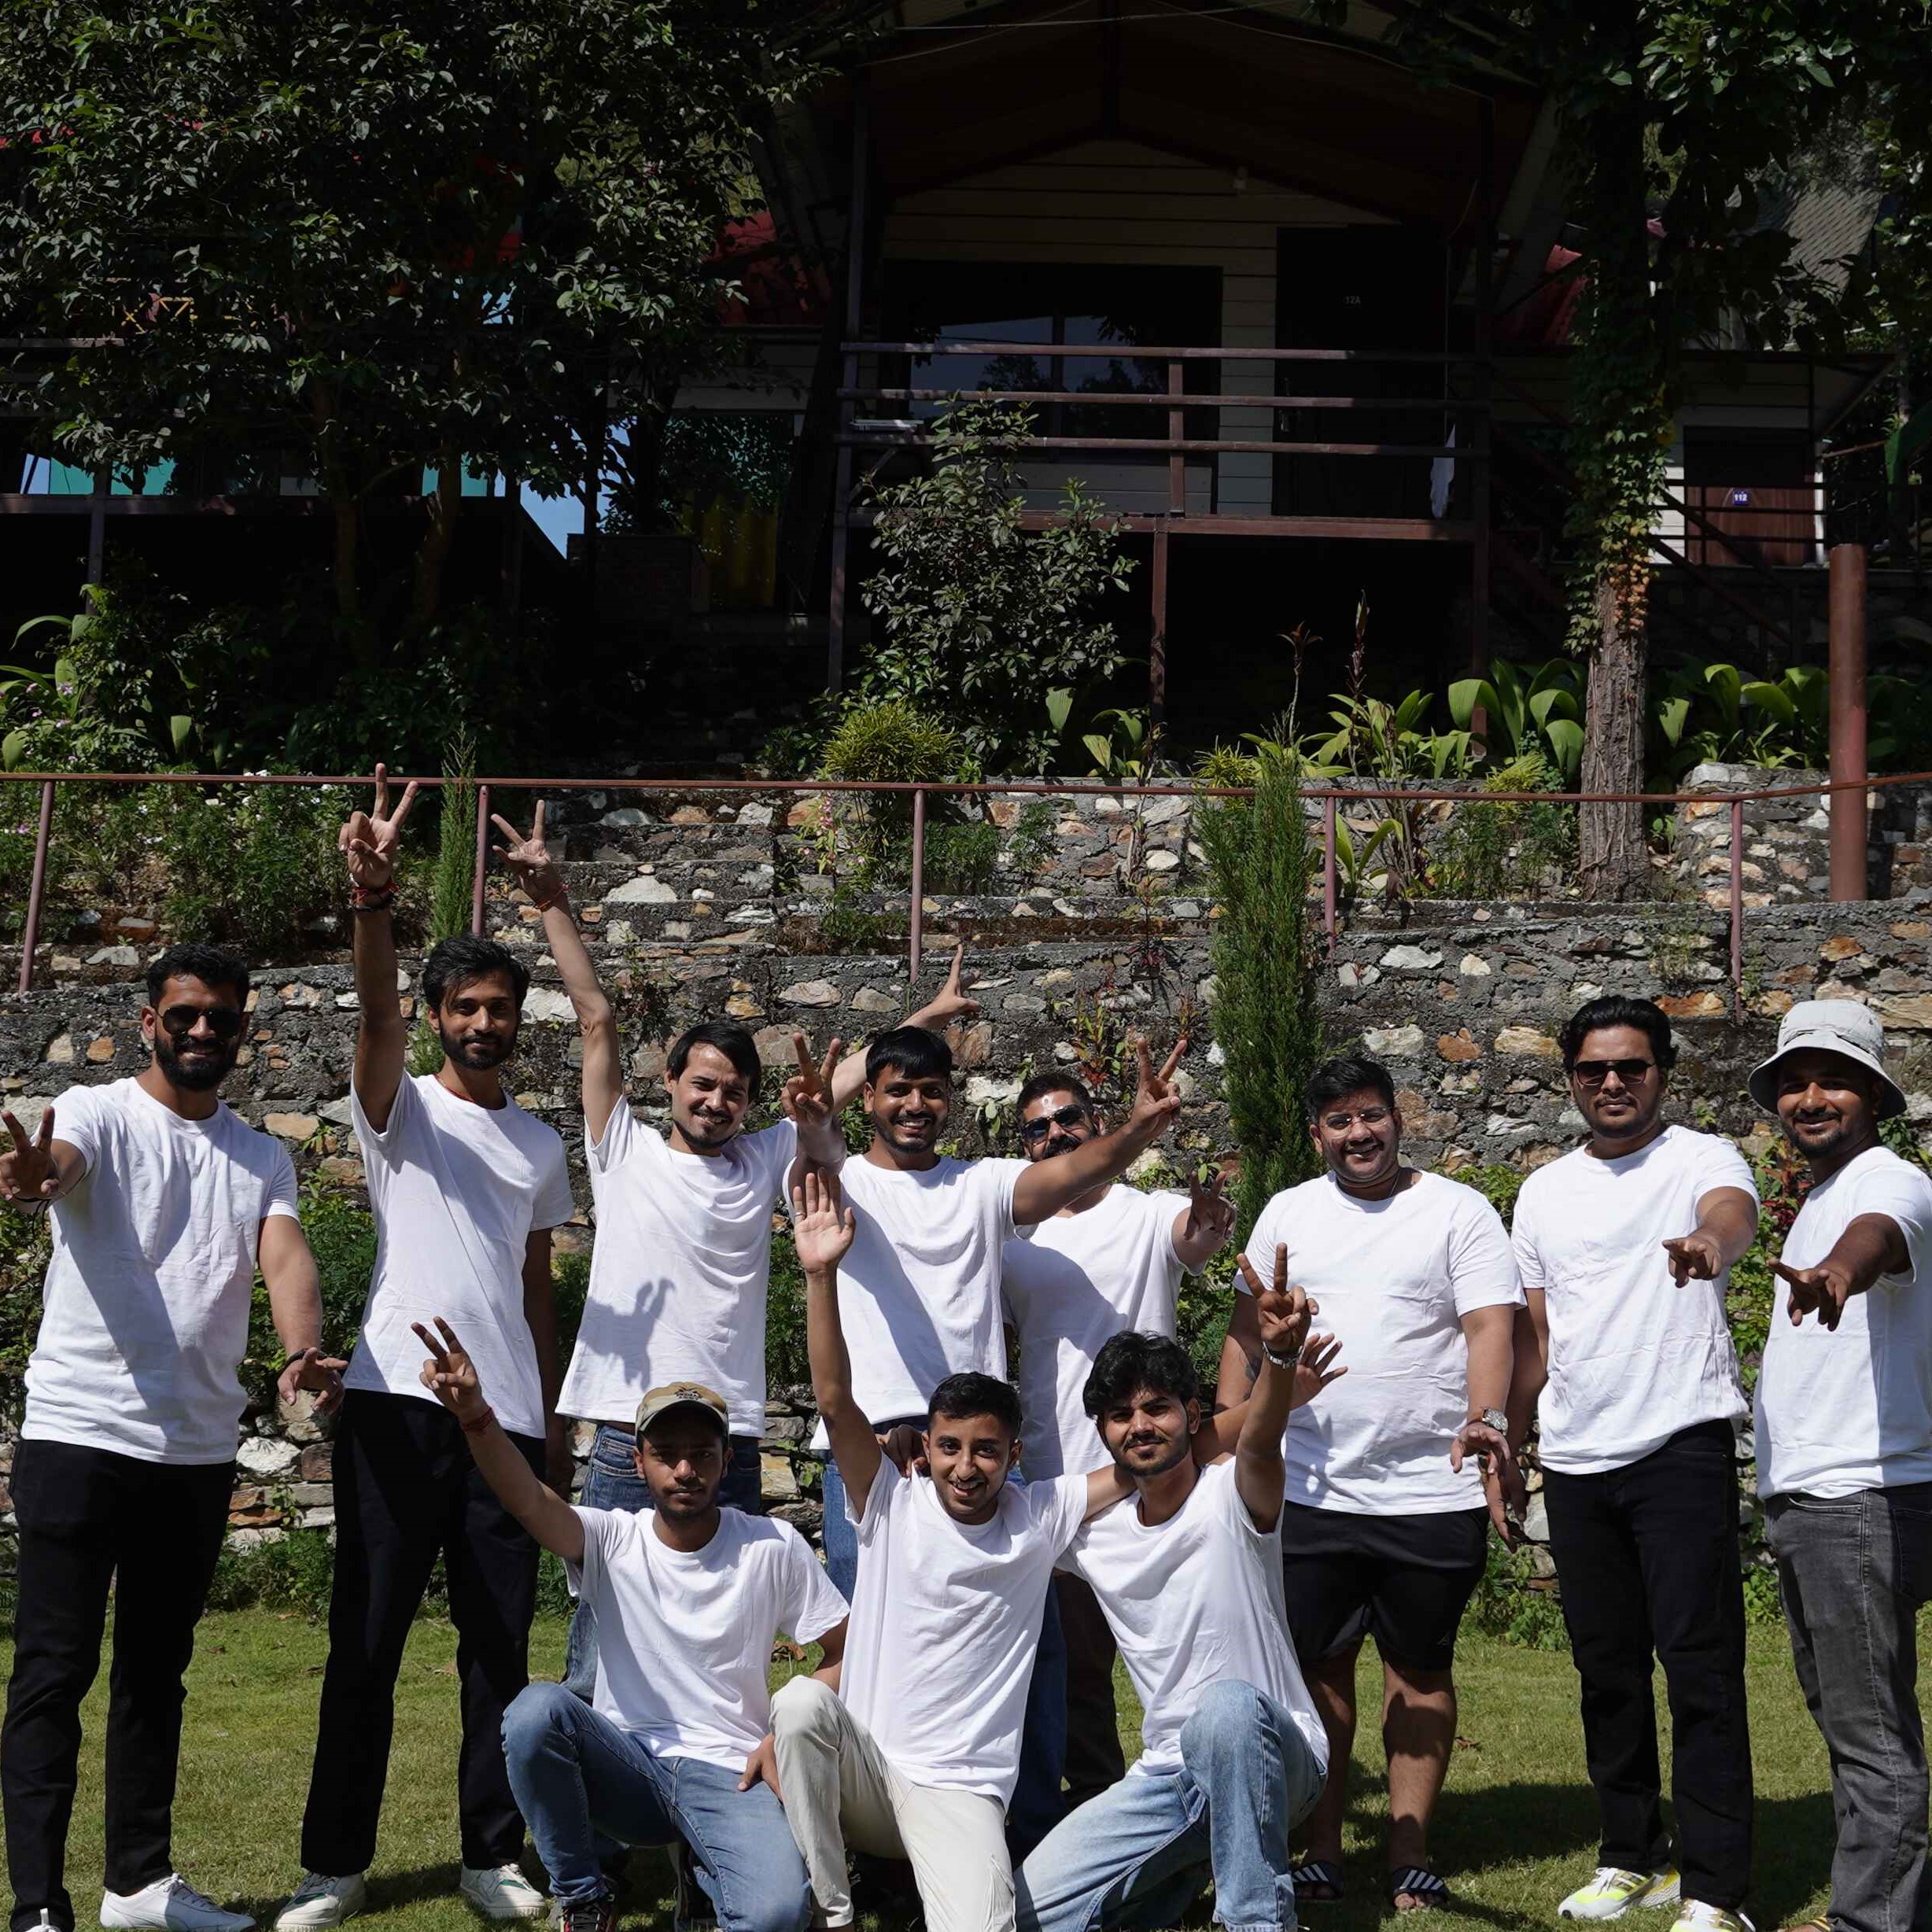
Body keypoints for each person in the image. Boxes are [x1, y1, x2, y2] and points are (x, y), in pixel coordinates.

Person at [278, 770, 577, 1931]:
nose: (483, 1024)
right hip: (395, 1403)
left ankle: (490, 1855)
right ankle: (333, 1864)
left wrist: (549, 1422)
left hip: (504, 1421)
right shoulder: (398, 1108)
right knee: (366, 1637)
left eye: (500, 1008)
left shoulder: (540, 1144)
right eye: (465, 1007)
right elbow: (372, 1021)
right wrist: (373, 902)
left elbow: (535, 1289)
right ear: (439, 1014)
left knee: (498, 1649)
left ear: (515, 1019)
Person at [486, 803, 872, 1695]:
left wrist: (920, 1018)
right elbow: (594, 1017)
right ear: (670, 1082)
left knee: (723, 1640)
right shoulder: (621, 1147)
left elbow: (835, 1090)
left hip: (728, 1434)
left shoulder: (762, 1159)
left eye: (734, 1092)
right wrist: (550, 899)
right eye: (702, 1084)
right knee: (604, 1640)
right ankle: (589, 1771)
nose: (715, 1102)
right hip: (631, 1430)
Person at [767, 1169, 1208, 1932]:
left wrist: (1272, 1393)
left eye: (985, 1450)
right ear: (927, 1445)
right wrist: (819, 1275)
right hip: (863, 1771)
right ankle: (833, 1911)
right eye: (949, 1446)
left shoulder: (1038, 1514)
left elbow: (1153, 1456)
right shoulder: (889, 1500)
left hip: (960, 1792)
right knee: (799, 1703)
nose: (965, 1467)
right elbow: (835, 1399)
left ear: (1014, 1454)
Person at [2, 943, 341, 1932]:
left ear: (241, 1030)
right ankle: (38, 1903)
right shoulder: (99, 1111)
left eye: (220, 1018)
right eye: (184, 1014)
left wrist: (301, 1349)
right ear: (149, 1021)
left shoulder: (259, 1154)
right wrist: (35, 1174)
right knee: (53, 1672)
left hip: (192, 1453)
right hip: (79, 1433)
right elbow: (61, 1164)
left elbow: (284, 1254)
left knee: (155, 1675)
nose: (202, 1030)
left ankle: (138, 1884)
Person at [409, 1320, 849, 1932]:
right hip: (628, 1768)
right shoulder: (614, 1538)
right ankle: (584, 1896)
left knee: (775, 1916)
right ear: (639, 1464)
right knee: (536, 1712)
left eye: (702, 1454)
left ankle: (700, 1870)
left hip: (730, 1771)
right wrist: (476, 1417)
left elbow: (845, 1651)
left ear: (726, 1461)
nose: (685, 1470)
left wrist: (782, 1736)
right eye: (666, 1454)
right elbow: (528, 1500)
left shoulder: (772, 1545)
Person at [1226, 1055, 1520, 1912]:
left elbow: (1489, 1326)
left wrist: (1488, 1420)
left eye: (1371, 1116)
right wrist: (1227, 1431)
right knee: (1317, 1673)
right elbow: (1246, 1331)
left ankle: (1407, 1847)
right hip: (1310, 1488)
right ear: (1316, 1134)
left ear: (1398, 1116)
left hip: (1430, 1488)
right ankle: (1320, 1846)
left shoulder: (1457, 1211)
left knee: (1419, 1672)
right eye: (1339, 1122)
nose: (1359, 1134)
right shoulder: (1288, 1211)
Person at [1506, 995, 1759, 1932]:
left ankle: (1715, 1887)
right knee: (1604, 1668)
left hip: (1677, 1442)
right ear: (1570, 1078)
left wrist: (1710, 1243)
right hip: (1576, 1456)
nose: (1611, 1082)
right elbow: (1536, 1336)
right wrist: (1508, 1440)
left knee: (1699, 1667)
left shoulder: (1700, 1159)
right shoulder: (1542, 1190)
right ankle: (1629, 1854)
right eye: (1592, 1069)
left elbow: (1729, 1214)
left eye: (1631, 1066)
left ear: (1661, 1071)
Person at [1014, 1245, 1344, 1932]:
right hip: (1169, 1773)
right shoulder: (1093, 1538)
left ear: (1194, 1416)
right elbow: (994, 1519)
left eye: (1157, 1408)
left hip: (1277, 1756)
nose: (1139, 1426)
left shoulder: (1231, 1497)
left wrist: (1279, 1360)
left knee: (1224, 1709)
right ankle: (1182, 1880)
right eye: (1120, 1415)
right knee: (1028, 1913)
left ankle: (1257, 1921)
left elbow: (1259, 1441)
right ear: (1102, 1432)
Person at [817, 1023, 1189, 1599]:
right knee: (867, 1625)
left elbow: (1073, 1172)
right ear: (866, 1097)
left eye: (932, 1090)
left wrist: (1138, 1128)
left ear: (950, 1099)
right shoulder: (836, 1181)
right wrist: (926, 1017)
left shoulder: (982, 1184)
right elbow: (811, 1129)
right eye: (898, 1090)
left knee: (1008, 1631)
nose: (915, 1105)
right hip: (867, 1437)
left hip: (980, 1441)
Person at [999, 1071, 1239, 1811]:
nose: (1056, 1135)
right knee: (1079, 1667)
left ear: (1096, 1121)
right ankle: (1100, 1802)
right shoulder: (1014, 1242)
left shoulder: (1149, 1212)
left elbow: (1194, 1237)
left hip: (1155, 1473)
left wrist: (1209, 1220)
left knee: (1184, 1648)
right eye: (1038, 1128)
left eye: (1068, 1118)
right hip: (1062, 1476)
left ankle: (1211, 1785)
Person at [1749, 1001, 1932, 1932]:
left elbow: (1877, 1235)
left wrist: (1835, 1273)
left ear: (1872, 1094)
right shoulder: (1821, 1193)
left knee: (1868, 1731)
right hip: (1813, 1497)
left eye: (1831, 1080)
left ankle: (1869, 1921)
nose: (1808, 1097)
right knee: (1845, 1715)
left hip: (1857, 1492)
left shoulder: (1887, 1181)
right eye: (1792, 1082)